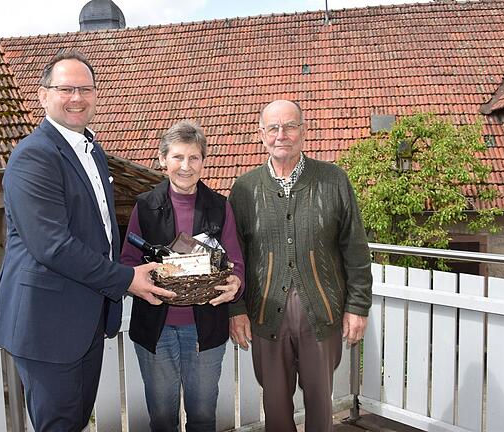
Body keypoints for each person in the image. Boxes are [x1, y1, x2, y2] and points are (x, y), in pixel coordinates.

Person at [0, 50, 175, 432]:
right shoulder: (33, 157)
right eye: (66, 88)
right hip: (47, 323)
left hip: (84, 317)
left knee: (75, 421)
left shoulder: (92, 151)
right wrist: (126, 279)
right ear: (43, 95)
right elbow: (52, 245)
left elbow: (99, 230)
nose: (77, 98)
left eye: (85, 89)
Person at [227, 100, 372, 432]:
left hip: (322, 312)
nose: (282, 135)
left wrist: (358, 306)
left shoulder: (333, 180)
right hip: (265, 314)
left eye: (291, 126)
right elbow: (234, 258)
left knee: (321, 404)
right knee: (275, 406)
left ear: (304, 131)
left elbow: (355, 248)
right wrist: (235, 310)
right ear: (261, 134)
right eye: (274, 128)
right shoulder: (244, 189)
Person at [120, 120, 245, 432]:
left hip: (205, 330)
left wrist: (236, 284)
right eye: (177, 157)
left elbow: (237, 263)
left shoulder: (220, 207)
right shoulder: (145, 206)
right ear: (163, 160)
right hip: (155, 330)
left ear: (203, 161)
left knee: (203, 417)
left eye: (193, 158)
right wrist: (141, 280)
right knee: (162, 419)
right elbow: (128, 262)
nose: (185, 166)